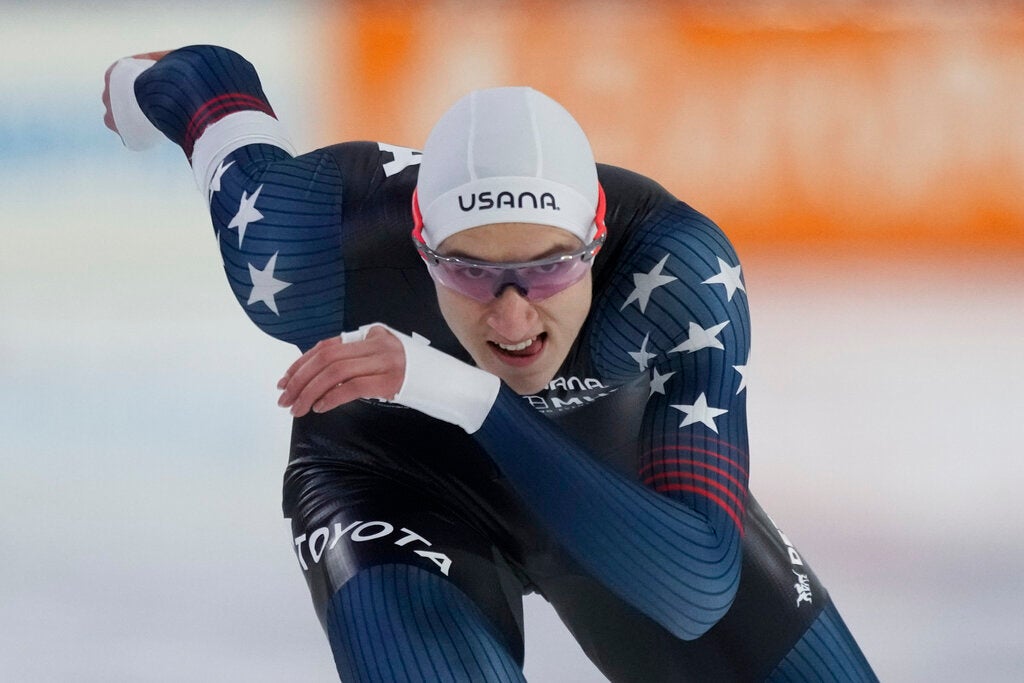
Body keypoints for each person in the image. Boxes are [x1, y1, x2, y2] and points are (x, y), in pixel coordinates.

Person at [103, 45, 876, 682]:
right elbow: (201, 80)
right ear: (419, 239)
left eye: (547, 269)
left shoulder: (674, 279)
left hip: (606, 479)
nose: (511, 316)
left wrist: (466, 394)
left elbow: (696, 586)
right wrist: (133, 88)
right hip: (394, 480)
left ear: (597, 240)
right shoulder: (304, 246)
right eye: (469, 271)